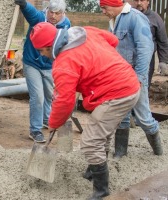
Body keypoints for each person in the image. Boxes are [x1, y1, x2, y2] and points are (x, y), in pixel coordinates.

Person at [30, 22, 140, 199]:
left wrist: (53, 124)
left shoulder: (64, 63)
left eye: (42, 51)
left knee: (90, 141)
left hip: (117, 93)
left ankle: (101, 191)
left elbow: (64, 102)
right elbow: (112, 40)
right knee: (101, 131)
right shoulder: (83, 32)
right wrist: (95, 63)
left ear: (49, 46)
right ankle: (92, 170)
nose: (43, 56)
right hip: (129, 83)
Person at [99, 0, 163, 158]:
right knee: (121, 115)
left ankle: (158, 152)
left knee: (143, 117)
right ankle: (121, 153)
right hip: (119, 76)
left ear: (114, 4)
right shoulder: (114, 21)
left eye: (104, 8)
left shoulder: (135, 18)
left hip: (134, 76)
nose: (103, 12)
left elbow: (145, 48)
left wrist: (139, 78)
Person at [14, 0, 71, 142]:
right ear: (47, 10)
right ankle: (35, 130)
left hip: (49, 65)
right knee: (38, 96)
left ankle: (47, 119)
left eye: (57, 13)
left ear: (63, 14)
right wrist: (23, 4)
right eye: (51, 12)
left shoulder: (66, 25)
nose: (53, 15)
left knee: (49, 94)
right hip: (32, 62)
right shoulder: (39, 18)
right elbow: (30, 11)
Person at [132, 0, 168, 86]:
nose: (139, 3)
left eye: (142, 0)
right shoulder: (129, 16)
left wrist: (163, 61)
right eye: (137, 0)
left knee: (144, 86)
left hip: (147, 60)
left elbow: (162, 41)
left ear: (148, 2)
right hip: (129, 59)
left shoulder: (155, 18)